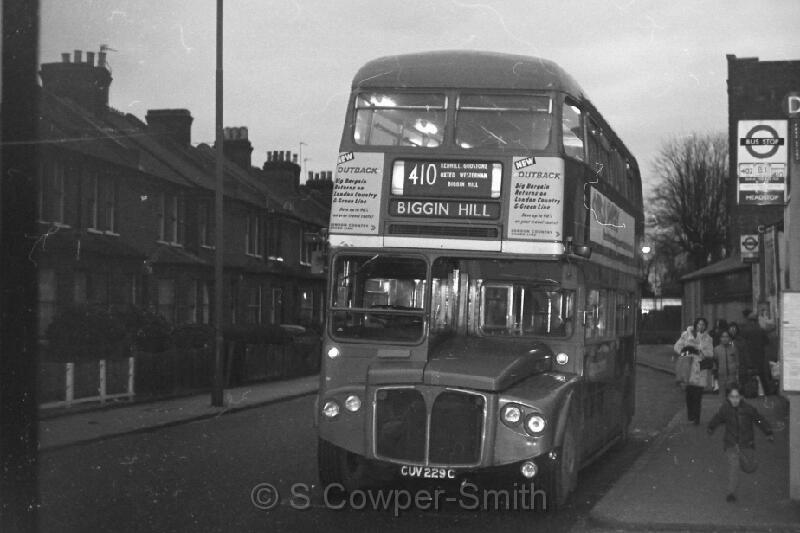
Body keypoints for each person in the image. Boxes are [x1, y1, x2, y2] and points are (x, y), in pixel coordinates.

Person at [707, 383, 774, 503]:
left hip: (746, 444)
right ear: (728, 397)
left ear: (741, 397)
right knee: (734, 466)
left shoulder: (748, 409)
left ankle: (747, 464)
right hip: (731, 444)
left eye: (737, 397)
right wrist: (711, 426)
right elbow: (717, 418)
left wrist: (768, 431)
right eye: (732, 397)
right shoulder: (725, 409)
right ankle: (731, 493)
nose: (734, 400)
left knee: (749, 468)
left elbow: (759, 419)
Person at [675, 345, 713, 424]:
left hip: (691, 383)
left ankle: (692, 417)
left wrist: (682, 382)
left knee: (690, 401)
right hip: (699, 384)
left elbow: (683, 371)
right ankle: (696, 418)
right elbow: (704, 372)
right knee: (697, 401)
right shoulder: (701, 358)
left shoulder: (686, 358)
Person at [738, 309, 770, 396]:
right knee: (762, 374)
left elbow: (741, 343)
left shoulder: (744, 329)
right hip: (760, 355)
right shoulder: (760, 329)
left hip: (748, 355)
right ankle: (767, 392)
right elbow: (767, 342)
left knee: (748, 374)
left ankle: (749, 392)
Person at [713, 330, 739, 396]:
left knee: (732, 397)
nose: (725, 339)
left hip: (732, 377)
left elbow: (737, 362)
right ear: (720, 338)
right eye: (723, 337)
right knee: (722, 397)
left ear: (729, 338)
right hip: (721, 376)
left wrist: (737, 373)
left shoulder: (734, 349)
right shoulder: (716, 349)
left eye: (727, 337)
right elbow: (714, 363)